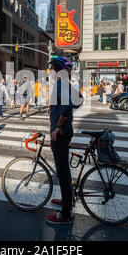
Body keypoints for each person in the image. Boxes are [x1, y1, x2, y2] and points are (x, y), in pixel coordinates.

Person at [46, 56, 83, 225]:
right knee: (64, 170)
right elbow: (79, 100)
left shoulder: (61, 83)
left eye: (52, 68)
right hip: (65, 131)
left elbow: (68, 106)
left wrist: (58, 127)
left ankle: (66, 213)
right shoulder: (66, 84)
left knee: (62, 171)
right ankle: (66, 200)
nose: (51, 71)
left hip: (61, 133)